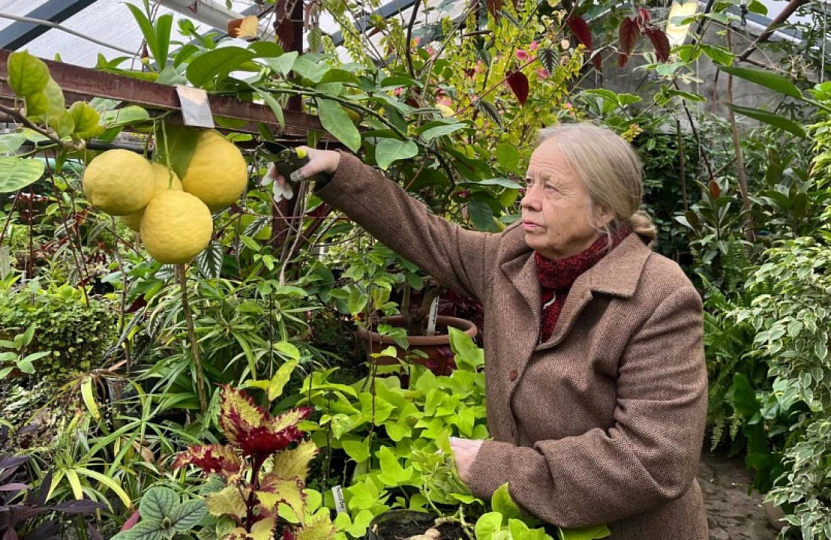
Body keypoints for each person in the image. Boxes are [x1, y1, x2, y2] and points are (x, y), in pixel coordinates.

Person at [266, 123, 709, 539]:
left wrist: (496, 467)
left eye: (550, 187)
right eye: (529, 183)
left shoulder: (659, 297)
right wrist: (338, 170)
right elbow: (429, 235)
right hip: (529, 522)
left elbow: (656, 459)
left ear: (605, 208)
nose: (528, 200)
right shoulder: (514, 259)